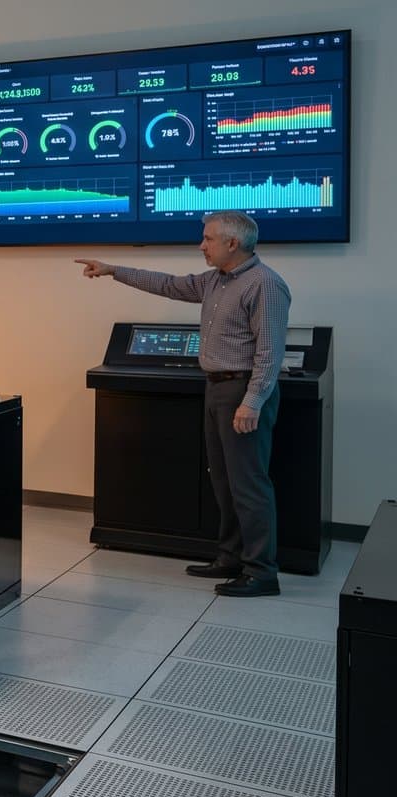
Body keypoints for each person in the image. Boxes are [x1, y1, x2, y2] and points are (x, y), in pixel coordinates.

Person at [75, 211, 289, 597]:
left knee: (248, 484)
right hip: (216, 388)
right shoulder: (215, 280)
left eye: (208, 239)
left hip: (242, 391)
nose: (201, 245)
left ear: (232, 243)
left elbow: (270, 352)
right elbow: (168, 285)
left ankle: (261, 572)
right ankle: (230, 557)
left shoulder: (264, 283)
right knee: (223, 481)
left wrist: (253, 401)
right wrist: (113, 270)